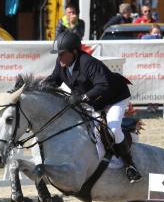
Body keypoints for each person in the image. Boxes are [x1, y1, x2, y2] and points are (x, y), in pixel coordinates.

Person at [42, 31, 142, 183]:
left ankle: (130, 166)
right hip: (94, 100)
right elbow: (54, 79)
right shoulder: (61, 62)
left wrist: (82, 97)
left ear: (74, 52)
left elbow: (103, 85)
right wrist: (41, 87)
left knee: (113, 128)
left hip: (114, 97)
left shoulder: (88, 63)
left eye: (62, 54)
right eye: (58, 54)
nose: (59, 57)